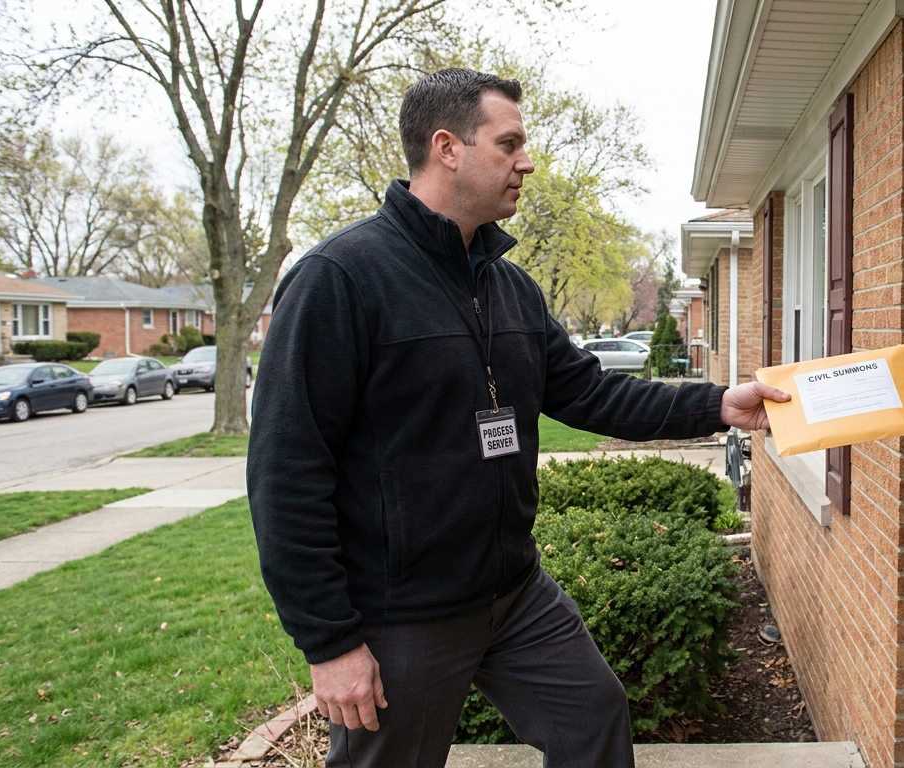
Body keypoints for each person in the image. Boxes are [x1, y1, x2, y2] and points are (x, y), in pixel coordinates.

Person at [246, 67, 789, 768]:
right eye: (509, 144)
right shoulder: (341, 280)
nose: (526, 162)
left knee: (594, 719)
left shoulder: (507, 287)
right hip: (402, 614)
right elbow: (286, 473)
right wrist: (330, 642)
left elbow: (591, 393)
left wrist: (716, 404)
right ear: (447, 148)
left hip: (514, 593)